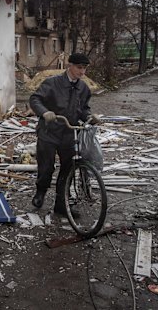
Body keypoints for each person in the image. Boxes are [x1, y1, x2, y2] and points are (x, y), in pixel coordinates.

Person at [29, 53, 100, 216]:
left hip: (69, 133)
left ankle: (61, 204)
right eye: (79, 68)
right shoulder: (52, 83)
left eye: (85, 68)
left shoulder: (83, 88)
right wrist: (44, 112)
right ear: (70, 66)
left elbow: (83, 109)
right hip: (49, 132)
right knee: (46, 166)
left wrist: (90, 117)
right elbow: (35, 99)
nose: (82, 72)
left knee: (68, 169)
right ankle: (40, 192)